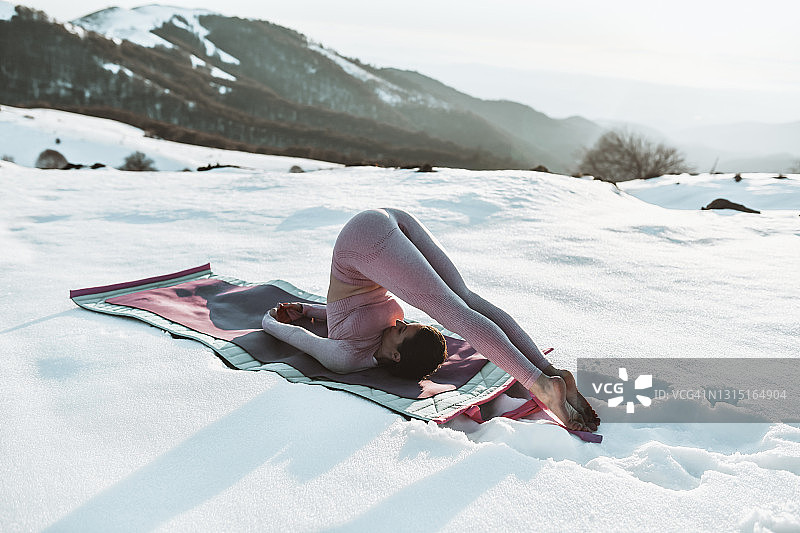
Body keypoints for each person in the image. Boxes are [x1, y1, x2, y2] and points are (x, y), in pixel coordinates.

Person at [262, 208, 599, 431]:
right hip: (380, 231)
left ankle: (541, 381)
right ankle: (547, 372)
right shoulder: (361, 344)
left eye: (401, 330)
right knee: (464, 302)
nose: (397, 324)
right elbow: (344, 315)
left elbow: (300, 337)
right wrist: (308, 313)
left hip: (365, 242)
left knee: (458, 311)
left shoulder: (347, 354)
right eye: (402, 329)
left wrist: (274, 320)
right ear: (396, 356)